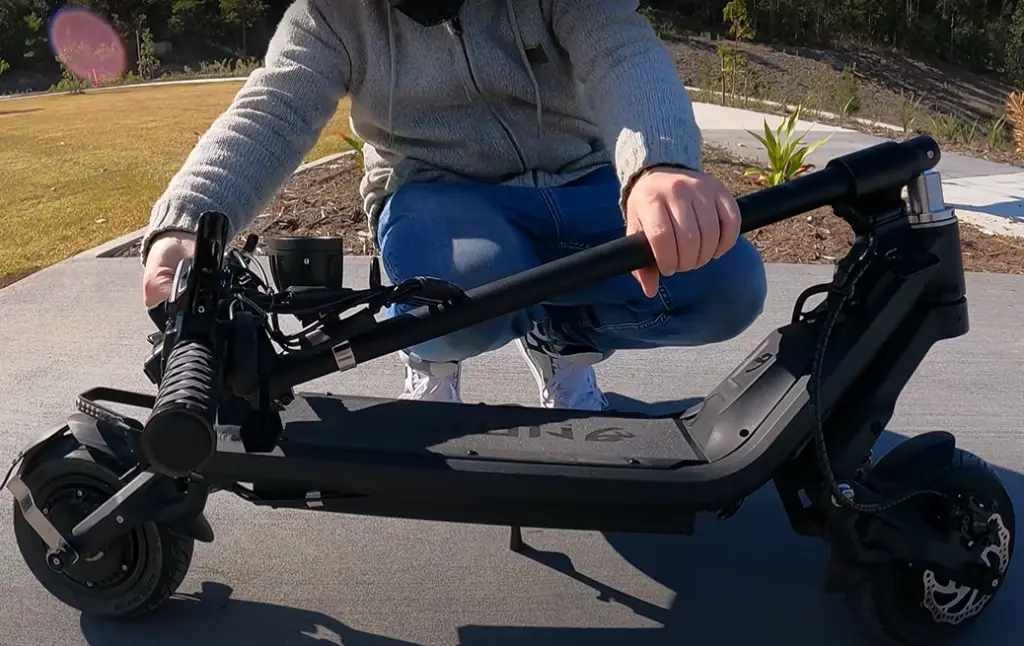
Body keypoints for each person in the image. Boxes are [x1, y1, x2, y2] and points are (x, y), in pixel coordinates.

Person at [141, 0, 768, 411]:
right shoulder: (331, 12)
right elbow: (275, 108)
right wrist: (188, 224)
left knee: (724, 282)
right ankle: (431, 349)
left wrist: (659, 165)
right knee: (457, 299)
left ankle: (560, 333)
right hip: (435, 193)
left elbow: (622, 53)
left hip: (583, 181)